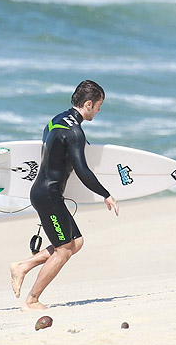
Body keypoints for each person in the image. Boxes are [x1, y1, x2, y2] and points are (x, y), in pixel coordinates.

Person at [9, 80, 119, 311]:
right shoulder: (75, 133)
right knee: (63, 251)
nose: (99, 110)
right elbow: (82, 170)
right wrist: (106, 194)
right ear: (88, 104)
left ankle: (22, 266)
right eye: (99, 106)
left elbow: (47, 145)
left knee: (76, 242)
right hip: (48, 195)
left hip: (45, 192)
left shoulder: (57, 120)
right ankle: (31, 300)